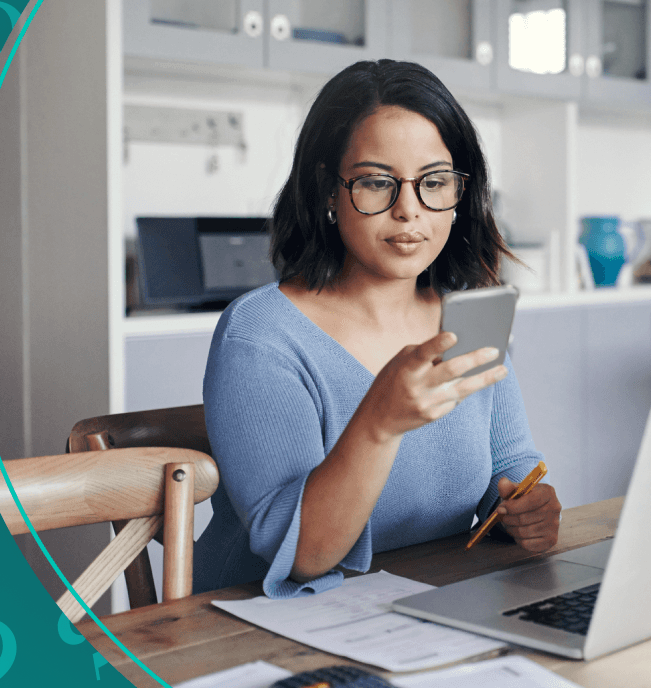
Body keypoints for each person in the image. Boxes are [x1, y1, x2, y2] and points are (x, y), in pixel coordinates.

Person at [193, 59, 561, 598]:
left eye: (434, 182)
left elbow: (510, 466)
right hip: (261, 636)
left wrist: (525, 508)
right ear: (327, 189)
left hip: (424, 606)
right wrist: (379, 423)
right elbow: (302, 557)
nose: (409, 211)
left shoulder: (467, 314)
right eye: (375, 183)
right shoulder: (260, 334)